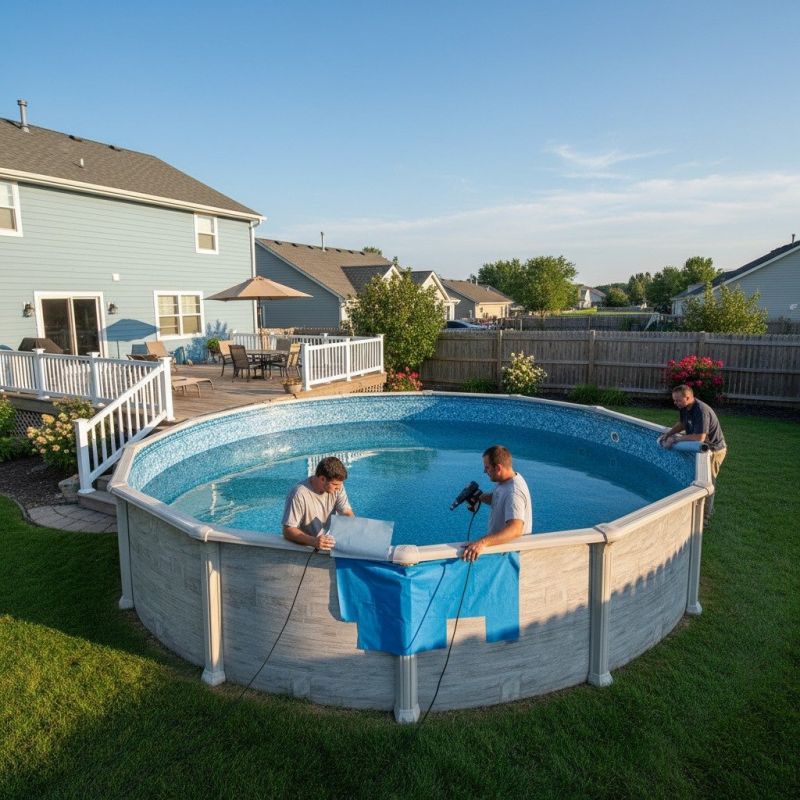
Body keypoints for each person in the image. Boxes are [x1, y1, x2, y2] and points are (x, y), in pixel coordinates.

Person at [658, 384, 727, 519]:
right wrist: (669, 434)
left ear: (688, 397)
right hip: (701, 447)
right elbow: (682, 424)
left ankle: (705, 518)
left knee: (707, 483)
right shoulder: (684, 407)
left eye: (678, 400)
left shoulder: (701, 410)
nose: (675, 403)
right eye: (674, 400)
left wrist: (676, 439)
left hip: (714, 450)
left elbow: (700, 437)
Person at [462, 445, 532, 562]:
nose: (485, 471)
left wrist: (482, 543)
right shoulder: (507, 480)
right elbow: (499, 498)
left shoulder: (514, 493)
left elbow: (515, 529)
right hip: (500, 555)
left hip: (507, 560)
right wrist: (479, 496)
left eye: (487, 467)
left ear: (498, 468)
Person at [282, 456, 354, 551]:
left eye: (340, 484)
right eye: (335, 484)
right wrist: (314, 541)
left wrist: (354, 527)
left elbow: (346, 512)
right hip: (306, 547)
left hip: (327, 541)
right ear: (322, 479)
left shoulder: (338, 487)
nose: (339, 488)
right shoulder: (299, 494)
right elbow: (288, 530)